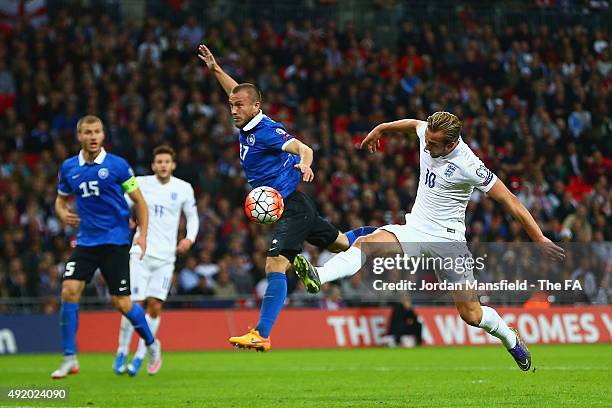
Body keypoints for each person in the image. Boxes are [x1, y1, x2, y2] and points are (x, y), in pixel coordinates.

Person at [294, 112, 565, 371]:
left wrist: (538, 237)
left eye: (433, 144)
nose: (426, 145)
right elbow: (413, 124)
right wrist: (382, 129)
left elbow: (510, 200)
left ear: (452, 144)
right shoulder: (428, 133)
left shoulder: (469, 164)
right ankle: (319, 275)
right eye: (427, 139)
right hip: (415, 229)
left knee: (472, 315)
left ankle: (510, 338)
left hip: (449, 243)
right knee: (368, 243)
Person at [198, 44, 375, 351]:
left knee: (275, 263)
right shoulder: (247, 120)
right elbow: (236, 92)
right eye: (231, 106)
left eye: (239, 106)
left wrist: (305, 163)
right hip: (295, 206)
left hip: (292, 204)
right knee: (342, 243)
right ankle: (391, 233)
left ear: (256, 107)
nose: (233, 110)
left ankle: (261, 332)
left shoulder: (267, 131)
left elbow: (303, 147)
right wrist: (215, 69)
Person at [51, 115, 161, 379]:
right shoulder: (69, 168)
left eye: (97, 132)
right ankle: (69, 357)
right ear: (78, 136)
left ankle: (151, 343)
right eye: (87, 132)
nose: (92, 136)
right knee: (68, 290)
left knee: (122, 303)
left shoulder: (118, 166)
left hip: (115, 241)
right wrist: (61, 212)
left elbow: (140, 203)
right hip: (87, 241)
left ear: (103, 136)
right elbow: (60, 199)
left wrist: (143, 236)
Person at [113, 145, 199, 376]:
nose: (162, 165)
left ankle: (142, 354)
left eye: (166, 162)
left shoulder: (183, 189)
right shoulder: (140, 183)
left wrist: (189, 239)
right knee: (133, 304)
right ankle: (122, 350)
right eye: (159, 161)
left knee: (155, 306)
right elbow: (121, 204)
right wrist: (127, 220)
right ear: (153, 165)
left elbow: (192, 217)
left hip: (166, 257)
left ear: (173, 165)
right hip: (140, 252)